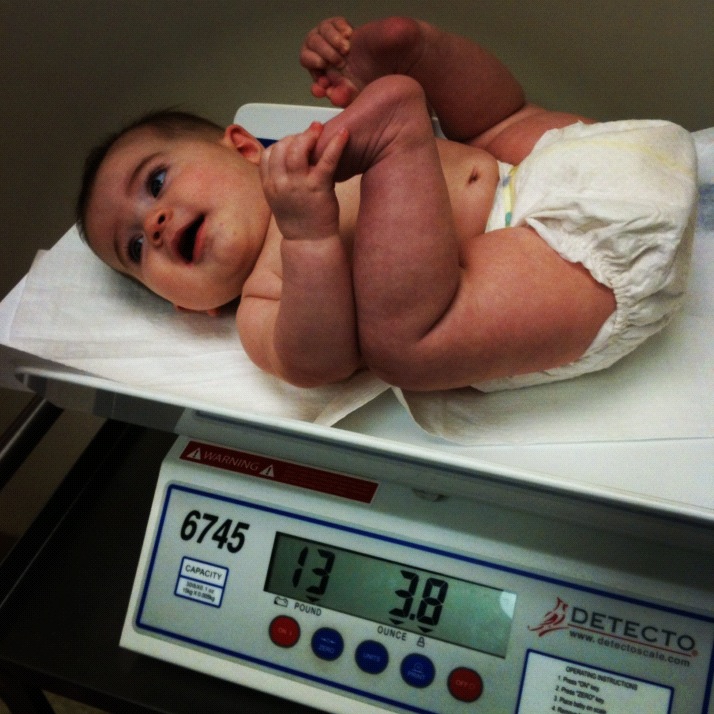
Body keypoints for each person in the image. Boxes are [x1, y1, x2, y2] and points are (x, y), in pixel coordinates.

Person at [77, 16, 697, 393]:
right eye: (133, 248)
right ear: (190, 305)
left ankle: (417, 56)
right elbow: (322, 359)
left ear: (242, 146)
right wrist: (308, 237)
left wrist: (368, 87)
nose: (153, 224)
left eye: (156, 181)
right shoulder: (262, 309)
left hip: (557, 168)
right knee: (400, 344)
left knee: (498, 123)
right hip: (559, 253)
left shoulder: (322, 149)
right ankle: (408, 104)